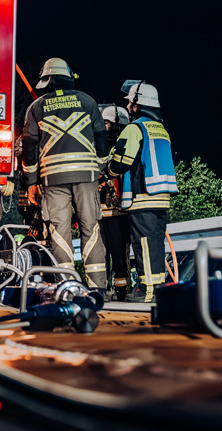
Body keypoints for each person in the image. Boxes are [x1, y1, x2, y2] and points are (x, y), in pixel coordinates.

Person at [21, 58, 108, 290]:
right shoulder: (88, 101)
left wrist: (31, 183)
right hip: (86, 177)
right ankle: (97, 287)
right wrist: (98, 171)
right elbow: (102, 140)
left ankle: (67, 286)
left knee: (59, 232)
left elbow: (29, 148)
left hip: (53, 179)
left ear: (45, 80)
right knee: (91, 228)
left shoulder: (36, 107)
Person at [106, 82, 177, 303]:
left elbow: (122, 161)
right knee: (155, 243)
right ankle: (157, 288)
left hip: (142, 197)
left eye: (130, 102)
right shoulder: (161, 130)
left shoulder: (134, 128)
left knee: (143, 243)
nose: (128, 106)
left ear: (138, 104)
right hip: (161, 197)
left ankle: (147, 290)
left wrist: (108, 170)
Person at [98, 104, 132, 301]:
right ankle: (101, 288)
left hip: (118, 211)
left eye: (107, 123)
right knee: (100, 253)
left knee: (119, 253)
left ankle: (122, 289)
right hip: (99, 210)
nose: (104, 127)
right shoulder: (99, 145)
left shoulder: (123, 145)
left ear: (118, 124)